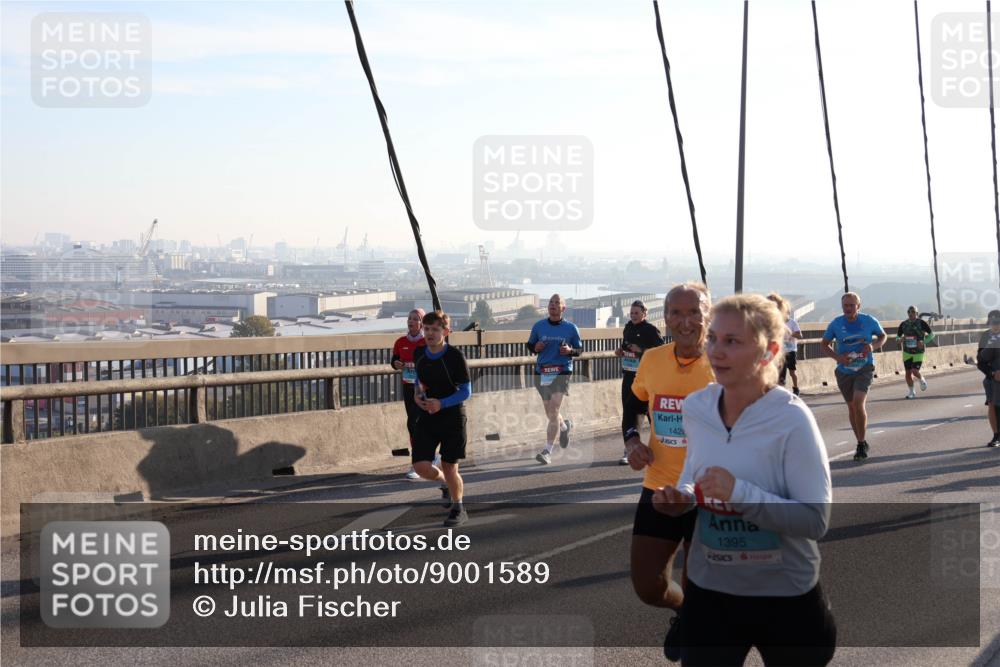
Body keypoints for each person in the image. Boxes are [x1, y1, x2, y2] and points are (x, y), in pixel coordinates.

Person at [653, 293, 836, 666]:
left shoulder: (791, 419)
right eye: (712, 338)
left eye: (732, 341)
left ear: (769, 352)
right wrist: (682, 498)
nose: (716, 351)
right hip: (711, 592)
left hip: (785, 596)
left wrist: (740, 493)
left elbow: (815, 520)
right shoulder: (697, 407)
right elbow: (693, 474)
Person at [622, 283, 715, 661]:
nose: (685, 321)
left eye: (694, 312)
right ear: (666, 318)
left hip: (711, 491)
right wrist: (632, 441)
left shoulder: (724, 361)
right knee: (648, 586)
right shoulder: (653, 359)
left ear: (708, 315)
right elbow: (633, 404)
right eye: (676, 312)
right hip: (660, 484)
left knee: (701, 589)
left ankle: (696, 625)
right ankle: (686, 612)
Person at [411, 310, 472, 526]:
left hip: (452, 417)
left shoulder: (455, 357)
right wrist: (417, 395)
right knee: (420, 467)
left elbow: (466, 391)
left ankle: (458, 508)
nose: (430, 333)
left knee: (449, 465)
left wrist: (442, 403)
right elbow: (418, 380)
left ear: (446, 332)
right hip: (428, 416)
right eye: (426, 329)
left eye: (435, 329)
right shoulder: (419, 353)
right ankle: (445, 483)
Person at [821, 292, 887, 462]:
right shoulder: (836, 324)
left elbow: (883, 336)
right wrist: (838, 357)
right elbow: (824, 344)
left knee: (858, 402)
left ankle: (861, 443)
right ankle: (861, 442)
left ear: (858, 306)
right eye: (846, 305)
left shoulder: (869, 321)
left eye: (852, 305)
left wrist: (873, 346)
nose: (848, 308)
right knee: (851, 407)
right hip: (844, 370)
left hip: (864, 368)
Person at [527, 294, 583, 465]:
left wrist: (570, 351)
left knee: (554, 409)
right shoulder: (539, 326)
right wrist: (535, 347)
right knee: (550, 413)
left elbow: (579, 350)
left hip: (562, 372)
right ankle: (564, 426)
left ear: (563, 308)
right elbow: (530, 345)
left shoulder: (571, 328)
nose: (553, 305)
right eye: (551, 302)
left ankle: (547, 451)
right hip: (542, 372)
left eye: (557, 302)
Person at [392, 309, 441, 480]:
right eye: (409, 318)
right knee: (413, 424)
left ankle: (421, 460)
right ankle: (426, 457)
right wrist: (397, 364)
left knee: (418, 423)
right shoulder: (400, 342)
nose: (411, 321)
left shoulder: (426, 341)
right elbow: (394, 360)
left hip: (425, 388)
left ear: (421, 323)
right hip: (408, 387)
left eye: (415, 319)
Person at [615, 299, 664, 465]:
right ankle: (630, 450)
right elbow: (626, 347)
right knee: (628, 413)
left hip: (647, 378)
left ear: (644, 313)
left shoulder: (651, 330)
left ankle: (660, 448)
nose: (633, 316)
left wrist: (641, 350)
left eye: (636, 313)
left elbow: (660, 352)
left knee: (652, 415)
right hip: (629, 376)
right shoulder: (628, 327)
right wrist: (621, 351)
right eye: (631, 313)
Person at [767, 293, 803, 396]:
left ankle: (796, 388)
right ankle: (780, 392)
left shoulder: (792, 323)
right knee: (780, 374)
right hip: (780, 352)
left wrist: (790, 333)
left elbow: (800, 335)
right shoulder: (777, 322)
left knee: (792, 372)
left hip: (791, 351)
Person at [896, 306, 934, 399]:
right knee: (908, 373)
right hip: (907, 352)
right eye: (909, 312)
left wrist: (924, 342)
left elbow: (932, 335)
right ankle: (911, 392)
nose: (910, 313)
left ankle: (921, 379)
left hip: (918, 352)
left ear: (917, 313)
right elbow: (897, 337)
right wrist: (900, 340)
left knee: (914, 371)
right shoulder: (903, 324)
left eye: (913, 312)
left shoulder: (921, 323)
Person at [976, 309, 1000, 448]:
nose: (994, 325)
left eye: (997, 323)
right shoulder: (986, 337)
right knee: (992, 404)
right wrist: (992, 373)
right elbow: (980, 361)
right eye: (992, 323)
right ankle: (996, 436)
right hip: (992, 379)